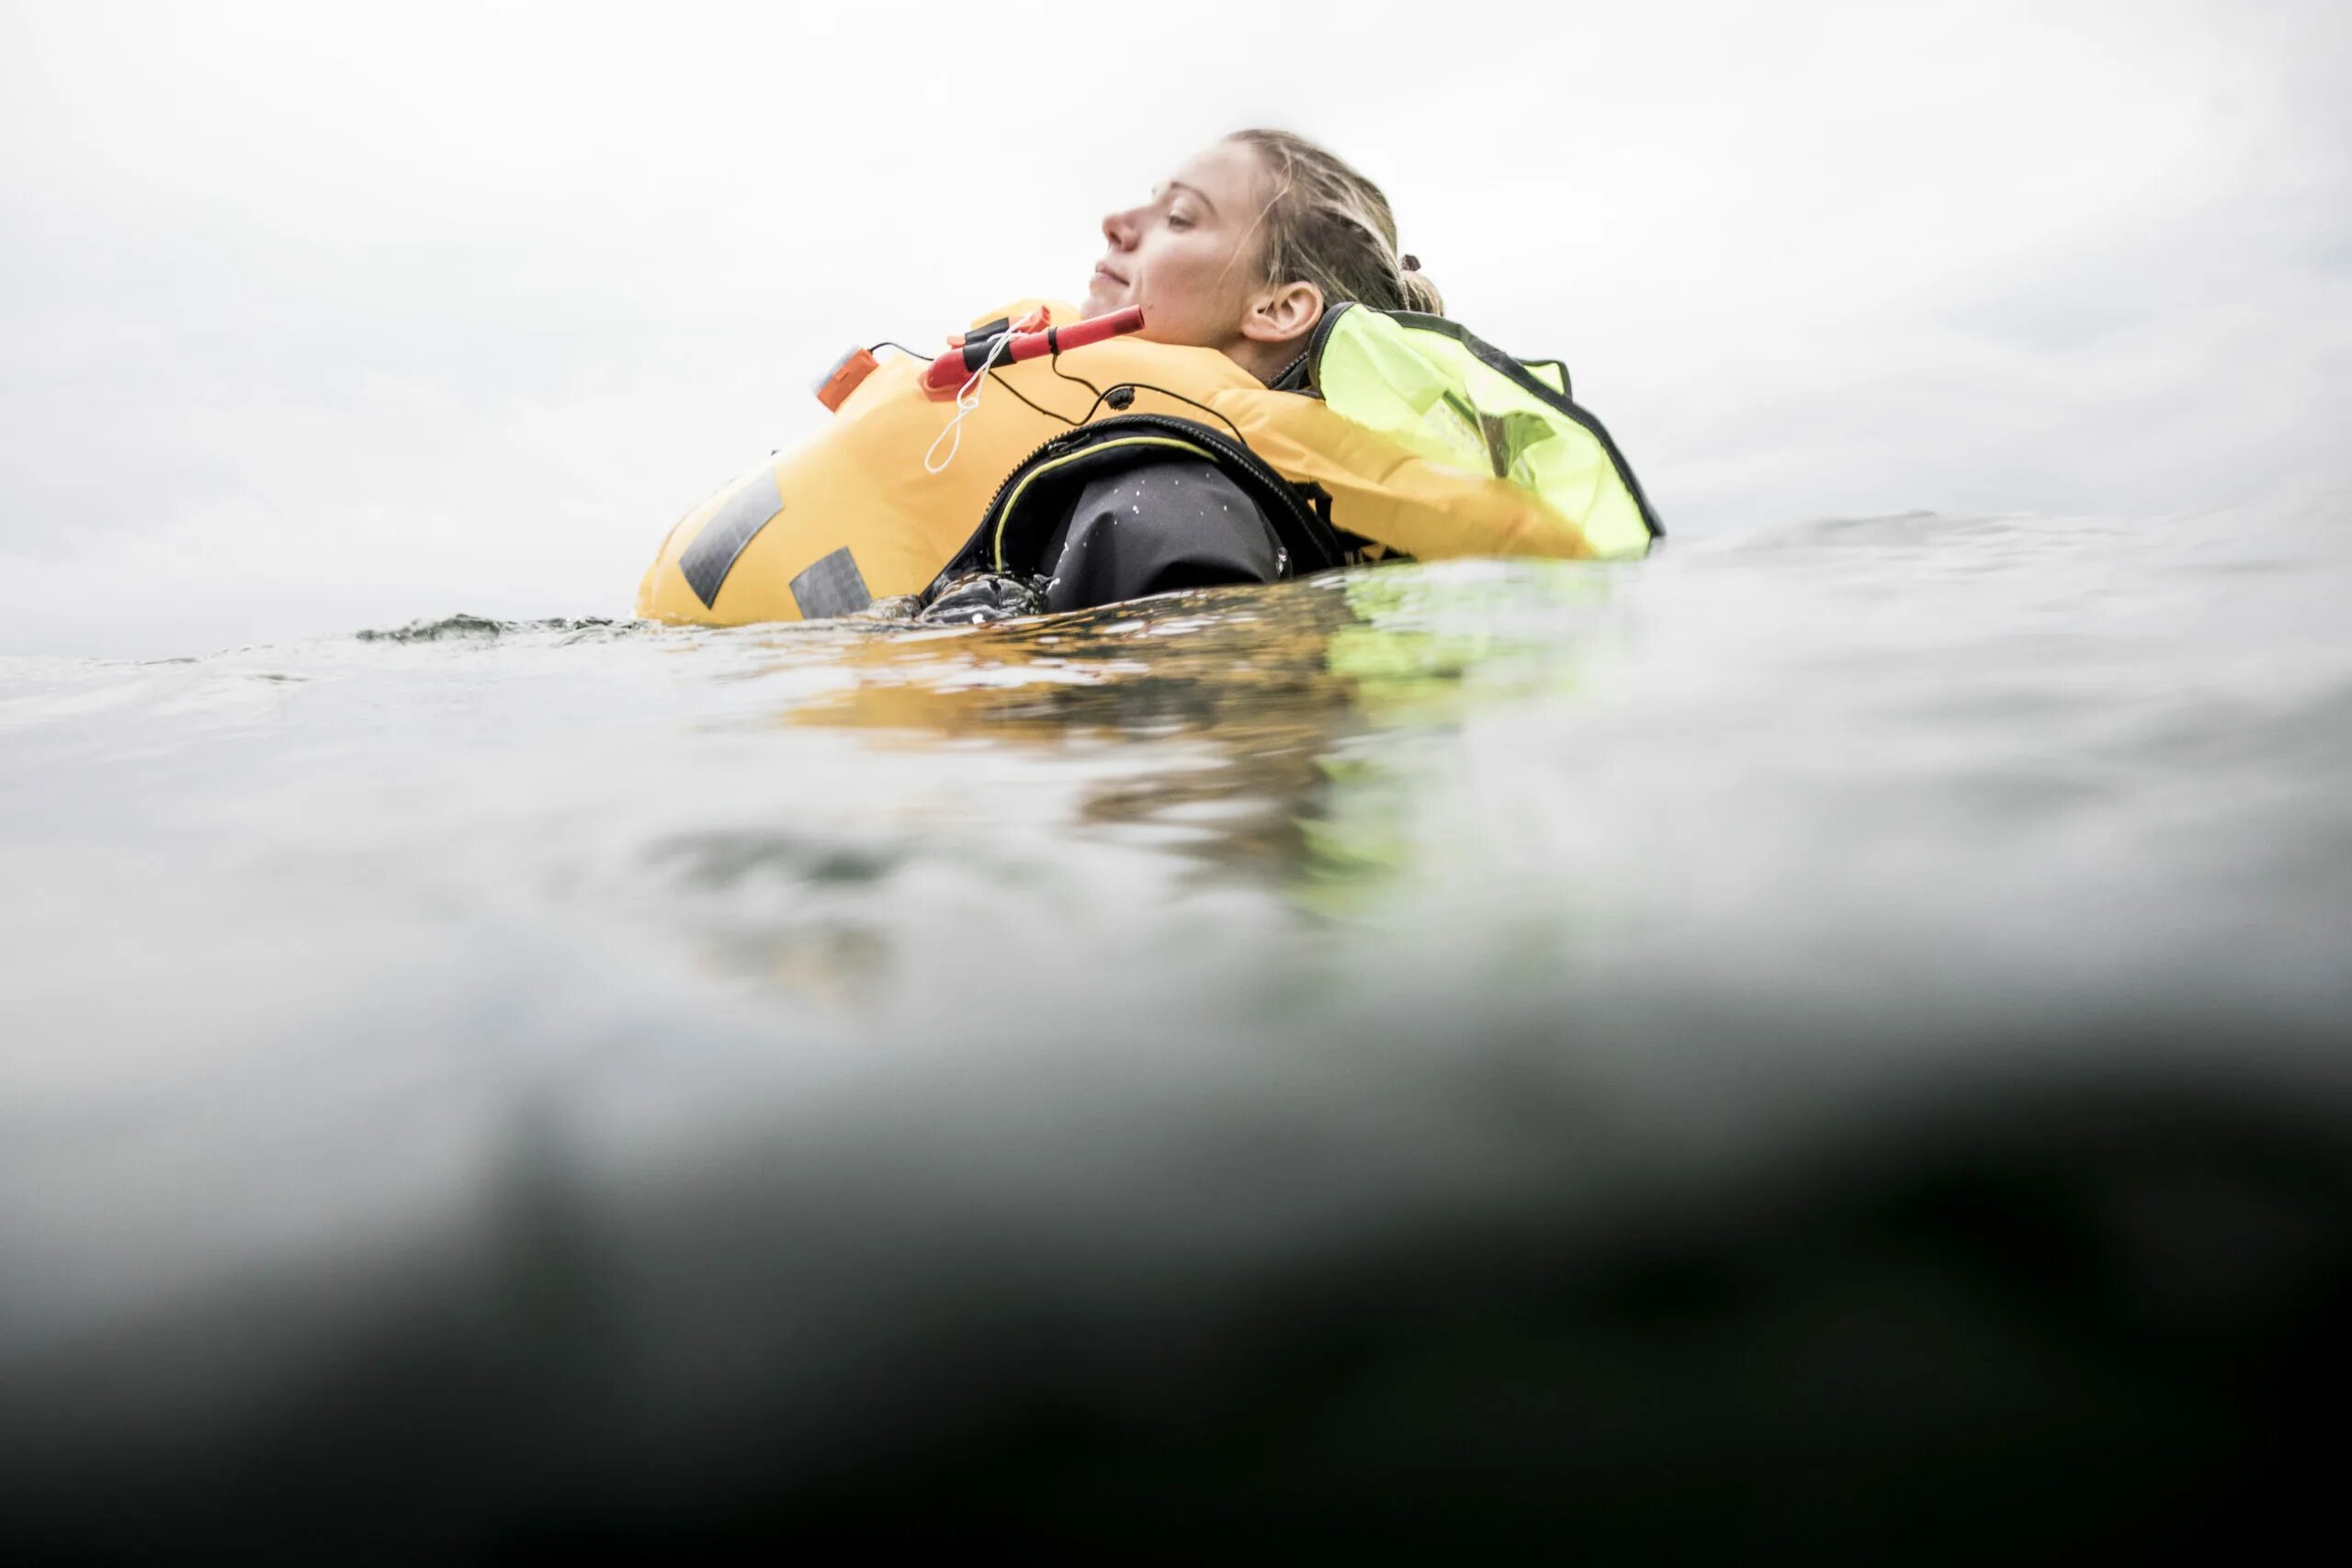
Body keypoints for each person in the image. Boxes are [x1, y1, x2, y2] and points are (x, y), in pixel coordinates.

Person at [952, 130, 1441, 617]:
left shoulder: (1173, 511)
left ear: (1279, 308)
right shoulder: (1213, 507)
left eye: (1179, 218)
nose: (1114, 224)